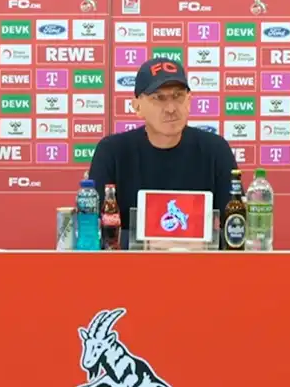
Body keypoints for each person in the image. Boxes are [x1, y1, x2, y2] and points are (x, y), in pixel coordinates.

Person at [88, 57, 238, 248]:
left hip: (200, 267)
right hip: (129, 270)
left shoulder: (216, 150)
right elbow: (93, 231)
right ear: (137, 107)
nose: (170, 108)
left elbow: (236, 229)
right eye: (159, 98)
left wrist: (206, 244)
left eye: (178, 96)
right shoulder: (112, 152)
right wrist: (146, 244)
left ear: (189, 101)